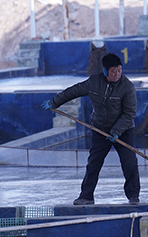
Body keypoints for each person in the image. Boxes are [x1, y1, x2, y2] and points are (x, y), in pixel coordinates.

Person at [42, 53, 140, 205]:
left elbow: (129, 113)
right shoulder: (94, 82)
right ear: (106, 71)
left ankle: (133, 196)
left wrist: (116, 131)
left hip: (123, 131)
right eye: (114, 71)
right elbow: (73, 91)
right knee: (94, 163)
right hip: (100, 129)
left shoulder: (127, 87)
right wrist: (55, 102)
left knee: (129, 163)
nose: (117, 74)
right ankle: (86, 196)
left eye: (120, 70)